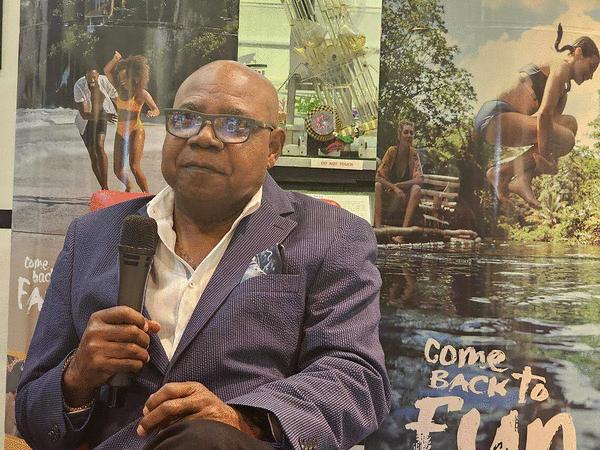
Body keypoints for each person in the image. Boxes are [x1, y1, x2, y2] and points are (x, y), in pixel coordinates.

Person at [15, 60, 390, 450]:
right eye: (186, 119)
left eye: (234, 125)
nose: (203, 138)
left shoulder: (330, 235)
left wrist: (244, 419)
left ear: (273, 148)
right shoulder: (92, 236)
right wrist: (76, 377)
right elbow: (30, 414)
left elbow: (356, 380)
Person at [475, 24, 599, 209]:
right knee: (567, 139)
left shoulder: (563, 93)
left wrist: (551, 163)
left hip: (505, 122)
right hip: (494, 116)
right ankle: (504, 172)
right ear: (578, 53)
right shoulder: (560, 65)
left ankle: (522, 178)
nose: (591, 76)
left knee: (570, 125)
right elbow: (543, 116)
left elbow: (551, 135)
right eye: (591, 67)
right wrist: (544, 156)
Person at [103, 51, 160, 193]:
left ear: (134, 78)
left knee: (134, 167)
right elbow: (106, 71)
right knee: (117, 170)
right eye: (120, 78)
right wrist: (115, 59)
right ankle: (129, 186)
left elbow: (156, 109)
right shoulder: (118, 90)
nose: (122, 81)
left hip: (136, 129)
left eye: (125, 78)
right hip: (120, 130)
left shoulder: (141, 93)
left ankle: (147, 195)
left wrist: (153, 112)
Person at [374, 120, 424, 234]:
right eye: (406, 132)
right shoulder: (392, 152)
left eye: (411, 133)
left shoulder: (414, 154)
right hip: (389, 195)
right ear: (399, 135)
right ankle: (378, 230)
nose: (409, 136)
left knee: (416, 189)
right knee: (377, 186)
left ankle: (403, 232)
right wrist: (394, 188)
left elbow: (420, 179)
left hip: (404, 198)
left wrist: (400, 185)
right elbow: (378, 177)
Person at [73, 69, 118, 190]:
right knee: (93, 154)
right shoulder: (79, 86)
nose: (92, 80)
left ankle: (105, 186)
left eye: (94, 77)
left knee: (99, 146)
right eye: (89, 78)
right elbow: (84, 114)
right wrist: (104, 117)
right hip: (87, 121)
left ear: (98, 75)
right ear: (85, 77)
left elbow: (117, 98)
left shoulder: (105, 81)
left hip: (102, 115)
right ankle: (104, 187)